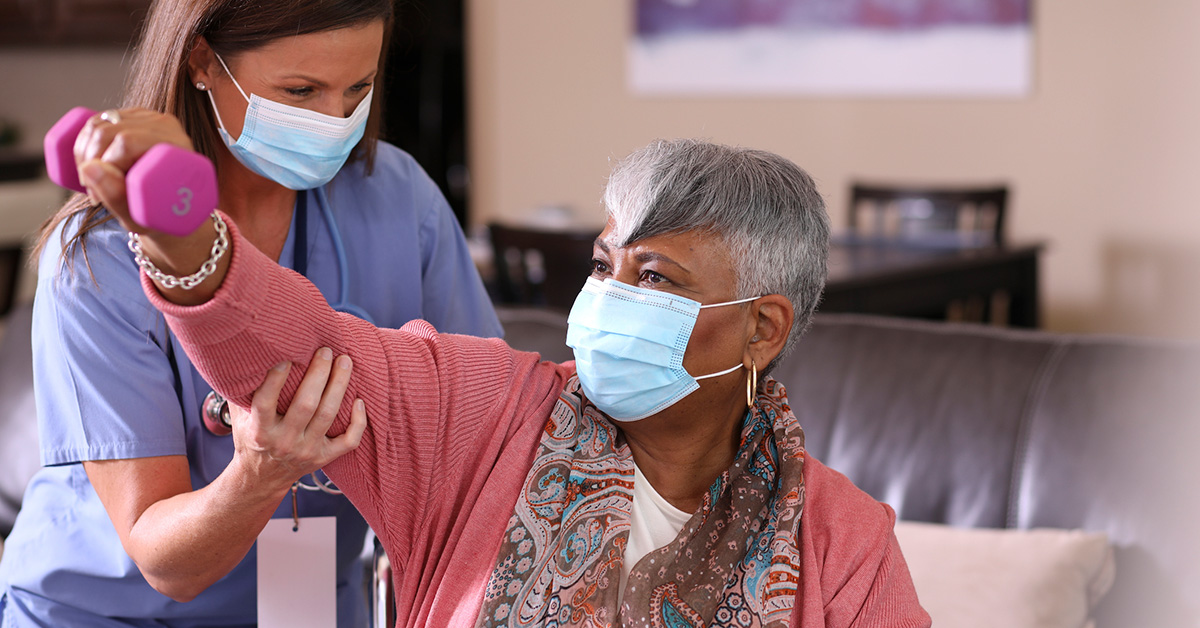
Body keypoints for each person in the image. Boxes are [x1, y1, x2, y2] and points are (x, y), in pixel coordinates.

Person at [75, 136, 931, 627]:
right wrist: (181, 238)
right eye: (605, 266)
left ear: (762, 328)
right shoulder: (480, 415)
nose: (609, 300)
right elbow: (304, 353)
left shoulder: (839, 542)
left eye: (658, 278)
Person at [0, 1, 501, 626]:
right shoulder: (99, 256)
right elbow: (165, 564)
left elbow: (487, 435)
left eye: (358, 89)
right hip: (107, 612)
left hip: (303, 604)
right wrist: (263, 473)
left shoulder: (399, 202)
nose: (334, 120)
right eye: (300, 91)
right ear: (204, 61)